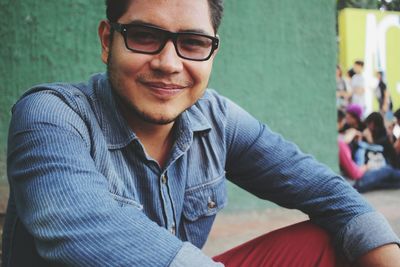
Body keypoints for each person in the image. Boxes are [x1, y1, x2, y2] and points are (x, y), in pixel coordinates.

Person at [2, 0, 400, 266]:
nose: (168, 63)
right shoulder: (51, 115)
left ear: (211, 52)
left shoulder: (217, 119)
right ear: (108, 41)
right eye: (144, 36)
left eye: (192, 43)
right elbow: (80, 226)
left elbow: (327, 192)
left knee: (333, 242)